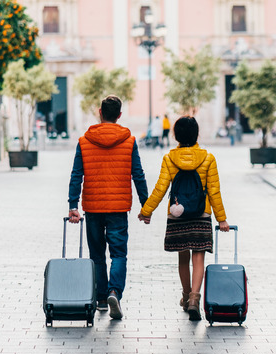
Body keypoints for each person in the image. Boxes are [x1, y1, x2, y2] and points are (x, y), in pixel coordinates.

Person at [137, 116, 230, 321]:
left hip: (177, 213)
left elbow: (161, 189)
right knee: (199, 257)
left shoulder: (169, 159)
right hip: (201, 214)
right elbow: (214, 191)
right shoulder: (208, 159)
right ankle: (195, 300)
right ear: (197, 134)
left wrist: (147, 210)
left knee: (183, 257)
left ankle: (186, 296)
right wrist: (221, 219)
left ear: (176, 135)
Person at [68, 95, 150, 320]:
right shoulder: (129, 140)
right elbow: (138, 175)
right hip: (118, 208)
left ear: (100, 112)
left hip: (93, 207)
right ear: (119, 115)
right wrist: (146, 206)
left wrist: (72, 205)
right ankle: (115, 291)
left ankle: (102, 299)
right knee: (119, 253)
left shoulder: (84, 141)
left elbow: (77, 174)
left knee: (97, 255)